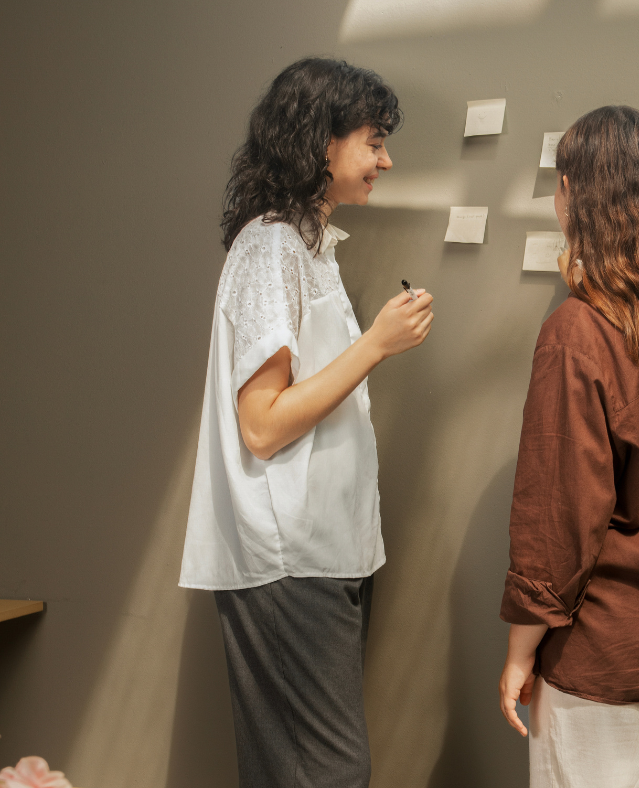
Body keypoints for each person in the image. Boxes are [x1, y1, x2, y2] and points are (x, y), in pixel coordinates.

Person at [178, 58, 434, 788]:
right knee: (326, 774)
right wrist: (375, 346)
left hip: (326, 553)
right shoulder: (269, 249)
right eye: (373, 140)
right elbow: (261, 425)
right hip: (289, 561)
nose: (386, 159)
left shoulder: (307, 247)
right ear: (321, 143)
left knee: (304, 773)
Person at [498, 106, 639, 788]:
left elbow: (559, 517)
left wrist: (520, 651)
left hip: (603, 654)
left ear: (575, 194)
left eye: (557, 183)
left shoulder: (576, 331)